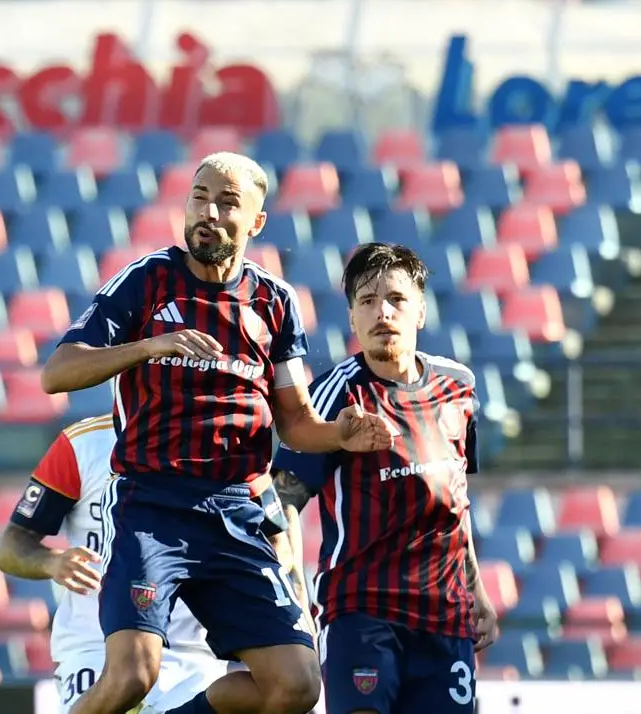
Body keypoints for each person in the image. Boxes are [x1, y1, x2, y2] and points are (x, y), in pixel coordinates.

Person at [39, 151, 394, 714]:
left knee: (297, 684)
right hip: (154, 506)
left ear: (256, 222)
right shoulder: (147, 281)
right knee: (132, 676)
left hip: (234, 513)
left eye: (227, 203)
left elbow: (295, 422)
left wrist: (338, 435)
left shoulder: (275, 302)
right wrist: (150, 346)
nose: (208, 212)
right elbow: (56, 373)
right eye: (199, 198)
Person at [271, 242, 500, 714]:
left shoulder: (458, 387)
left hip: (444, 618)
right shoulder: (333, 396)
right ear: (352, 318)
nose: (383, 313)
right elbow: (282, 498)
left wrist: (476, 591)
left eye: (396, 299)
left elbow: (455, 500)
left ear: (420, 311)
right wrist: (295, 601)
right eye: (367, 301)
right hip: (361, 613)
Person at [0, 413, 232, 712]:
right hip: (97, 648)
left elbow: (275, 538)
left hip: (193, 653)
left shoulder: (224, 439)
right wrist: (51, 562)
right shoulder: (84, 444)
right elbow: (11, 546)